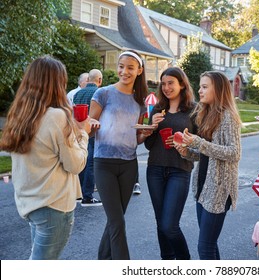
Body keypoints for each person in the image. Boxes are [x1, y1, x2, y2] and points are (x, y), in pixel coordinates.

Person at [0, 56, 91, 259]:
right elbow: (75, 164)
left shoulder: (20, 114)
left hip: (30, 203)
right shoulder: (57, 117)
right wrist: (83, 133)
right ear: (57, 84)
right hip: (54, 205)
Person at [89, 50, 153, 260]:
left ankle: (103, 261)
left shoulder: (141, 101)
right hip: (104, 163)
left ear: (139, 71)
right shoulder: (103, 93)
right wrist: (92, 126)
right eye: (121, 66)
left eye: (130, 68)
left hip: (128, 165)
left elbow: (136, 139)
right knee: (117, 222)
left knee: (114, 220)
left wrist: (144, 134)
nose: (124, 71)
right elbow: (87, 126)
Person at [175, 71, 241, 260]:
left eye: (205, 87)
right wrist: (187, 152)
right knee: (209, 246)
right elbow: (205, 155)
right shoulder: (206, 113)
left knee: (205, 247)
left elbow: (234, 153)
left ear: (218, 89)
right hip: (203, 186)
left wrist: (198, 142)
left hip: (219, 189)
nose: (200, 90)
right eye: (200, 86)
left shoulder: (228, 116)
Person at [144, 67, 197, 260]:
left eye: (171, 83)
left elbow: (199, 145)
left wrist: (183, 142)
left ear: (182, 84)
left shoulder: (194, 110)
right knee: (160, 222)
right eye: (163, 84)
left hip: (180, 170)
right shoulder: (158, 109)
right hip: (155, 169)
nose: (166, 88)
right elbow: (150, 145)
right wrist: (152, 128)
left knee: (169, 225)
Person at [73, 69, 103, 206]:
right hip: (93, 131)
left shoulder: (78, 93)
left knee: (81, 161)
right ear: (99, 80)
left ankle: (78, 193)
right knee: (90, 163)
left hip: (78, 131)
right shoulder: (99, 93)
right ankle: (88, 195)